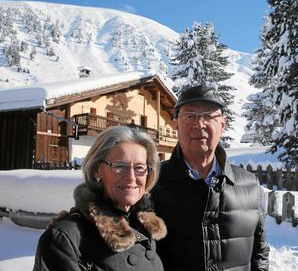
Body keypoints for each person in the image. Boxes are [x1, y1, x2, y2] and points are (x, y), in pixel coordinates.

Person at [152, 85, 270, 271]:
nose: (199, 124)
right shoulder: (152, 183)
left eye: (208, 116)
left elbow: (259, 251)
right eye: (190, 116)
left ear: (222, 124)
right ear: (176, 124)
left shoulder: (249, 184)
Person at [33, 126, 167, 271]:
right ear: (97, 170)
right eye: (120, 166)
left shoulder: (144, 226)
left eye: (140, 168)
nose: (131, 177)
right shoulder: (67, 238)